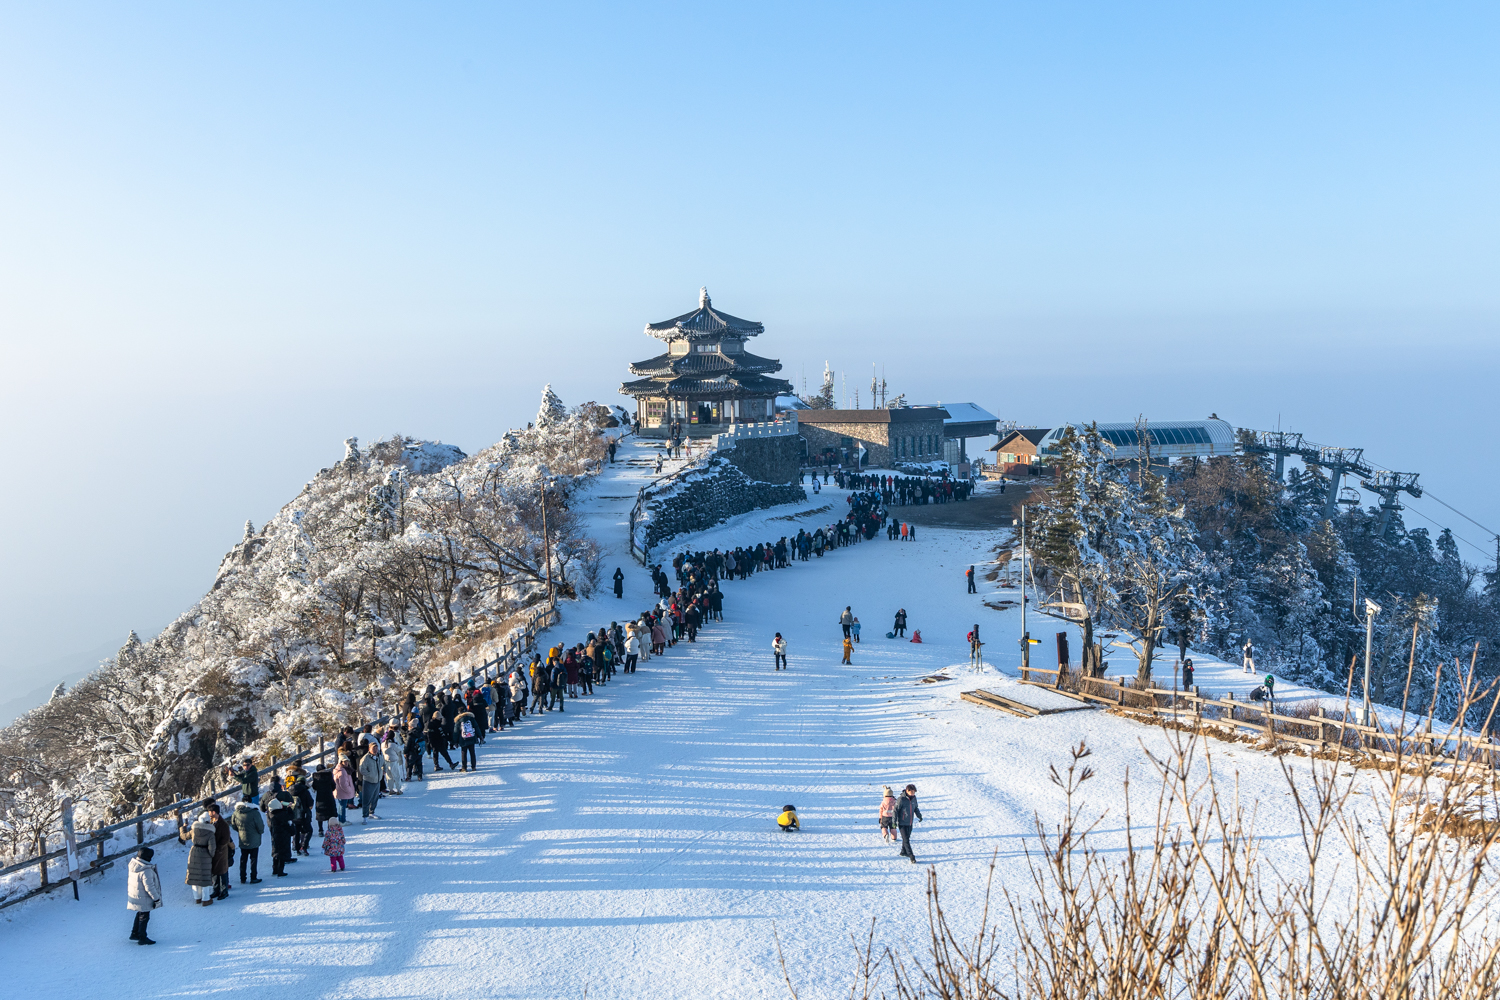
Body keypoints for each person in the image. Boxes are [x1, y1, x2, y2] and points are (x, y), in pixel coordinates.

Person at [127, 846, 162, 944]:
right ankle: (142, 937)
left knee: (140, 913)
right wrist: (156, 899)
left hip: (136, 895)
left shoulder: (134, 865)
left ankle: (134, 933)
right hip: (144, 897)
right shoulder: (146, 870)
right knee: (144, 917)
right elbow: (149, 887)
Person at [184, 806, 217, 904]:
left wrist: (183, 828)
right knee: (205, 877)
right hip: (205, 853)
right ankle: (206, 899)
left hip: (194, 852)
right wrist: (211, 855)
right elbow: (212, 847)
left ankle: (197, 897)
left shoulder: (194, 829)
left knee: (194, 876)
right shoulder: (210, 832)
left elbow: (184, 836)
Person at [230, 796, 264, 885]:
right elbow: (260, 826)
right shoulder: (254, 812)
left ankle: (242, 877)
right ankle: (253, 877)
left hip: (242, 839)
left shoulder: (236, 812)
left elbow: (233, 825)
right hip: (254, 839)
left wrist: (240, 831)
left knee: (243, 858)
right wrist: (260, 832)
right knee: (253, 859)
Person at [264, 780, 295, 877]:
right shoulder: (282, 815)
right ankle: (281, 871)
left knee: (276, 853)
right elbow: (291, 817)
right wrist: (289, 808)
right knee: (282, 854)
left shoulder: (272, 815)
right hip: (283, 836)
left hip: (275, 835)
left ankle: (275, 869)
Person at [207, 800, 233, 900]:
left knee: (222, 871)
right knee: (214, 872)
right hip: (213, 852)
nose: (209, 814)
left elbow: (226, 839)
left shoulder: (223, 824)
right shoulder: (211, 822)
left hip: (221, 852)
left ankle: (224, 890)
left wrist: (218, 847)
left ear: (214, 812)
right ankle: (216, 890)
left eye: (209, 812)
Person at [894, 784, 923, 863]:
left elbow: (915, 808)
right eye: (912, 792)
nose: (913, 793)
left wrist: (919, 815)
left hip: (910, 822)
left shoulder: (914, 799)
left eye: (914, 792)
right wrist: (894, 821)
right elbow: (895, 810)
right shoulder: (901, 799)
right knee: (906, 840)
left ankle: (903, 852)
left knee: (907, 838)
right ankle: (911, 856)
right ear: (907, 791)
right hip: (902, 823)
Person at [358, 743, 384, 821]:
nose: (375, 750)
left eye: (376, 748)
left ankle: (372, 812)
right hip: (368, 781)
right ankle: (365, 816)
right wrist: (370, 775)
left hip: (377, 781)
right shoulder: (366, 758)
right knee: (366, 799)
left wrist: (383, 771)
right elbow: (362, 769)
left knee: (375, 798)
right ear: (369, 749)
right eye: (373, 748)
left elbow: (384, 763)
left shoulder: (379, 756)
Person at [311, 763, 337, 835]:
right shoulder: (329, 776)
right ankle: (329, 829)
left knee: (320, 813)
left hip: (320, 797)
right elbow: (333, 786)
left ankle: (320, 830)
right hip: (329, 797)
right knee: (330, 814)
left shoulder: (316, 778)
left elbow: (314, 787)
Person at [454, 702, 479, 772]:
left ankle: (464, 767)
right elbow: (476, 727)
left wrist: (455, 741)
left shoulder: (458, 721)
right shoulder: (471, 718)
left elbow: (456, 732)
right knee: (472, 753)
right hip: (471, 737)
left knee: (463, 753)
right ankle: (473, 767)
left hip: (463, 739)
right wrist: (480, 736)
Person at [382, 731, 406, 795]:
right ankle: (398, 789)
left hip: (385, 761)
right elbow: (399, 749)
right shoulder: (392, 744)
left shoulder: (383, 744)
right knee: (396, 776)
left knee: (389, 776)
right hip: (393, 761)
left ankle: (391, 789)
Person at [333, 756, 356, 822]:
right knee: (342, 806)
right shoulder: (342, 771)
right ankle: (342, 821)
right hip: (343, 792)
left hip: (339, 791)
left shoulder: (339, 769)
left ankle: (341, 820)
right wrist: (349, 790)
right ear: (341, 762)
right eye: (344, 761)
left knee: (341, 806)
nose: (346, 763)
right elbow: (343, 784)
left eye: (347, 761)